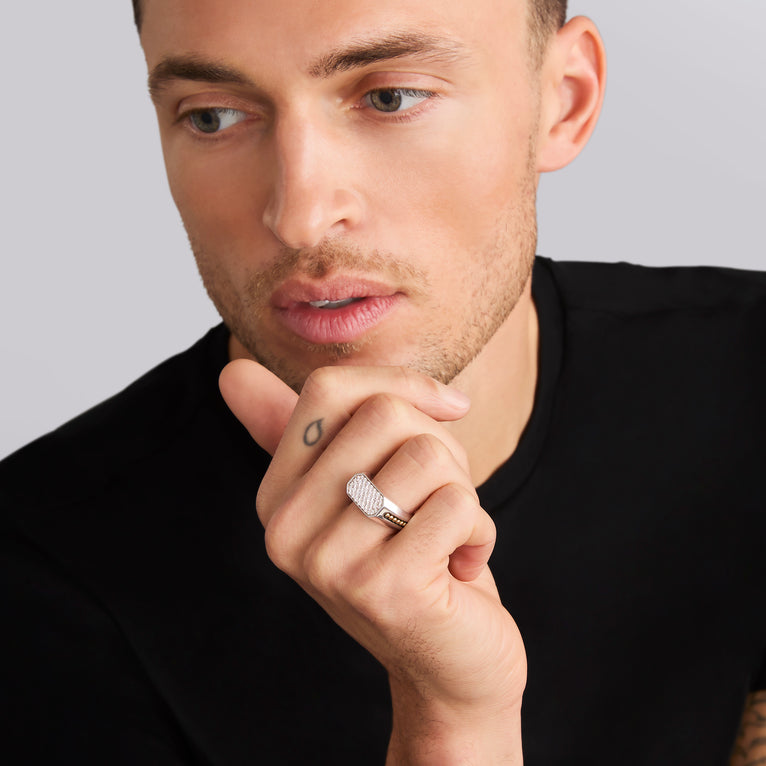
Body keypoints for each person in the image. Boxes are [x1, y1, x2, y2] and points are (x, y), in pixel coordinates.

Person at [1, 0, 764, 763]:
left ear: (565, 100)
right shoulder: (37, 572)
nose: (300, 215)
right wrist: (452, 724)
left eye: (390, 98)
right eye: (213, 117)